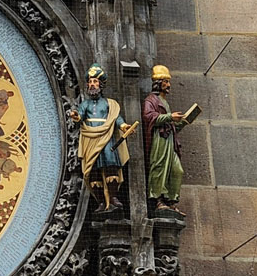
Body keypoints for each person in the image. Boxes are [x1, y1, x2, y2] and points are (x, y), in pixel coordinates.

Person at [69, 63, 136, 211]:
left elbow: (115, 117)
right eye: (90, 82)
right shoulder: (85, 104)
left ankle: (112, 197)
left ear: (101, 84)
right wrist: (75, 116)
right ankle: (100, 201)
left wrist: (123, 126)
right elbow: (80, 117)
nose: (92, 85)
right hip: (90, 138)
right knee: (93, 170)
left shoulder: (108, 104)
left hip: (106, 138)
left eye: (95, 82)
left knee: (111, 166)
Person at [142, 63, 188, 213]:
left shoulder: (165, 102)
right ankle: (159, 200)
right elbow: (148, 116)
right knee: (160, 167)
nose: (168, 85)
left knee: (177, 170)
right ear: (158, 83)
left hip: (169, 139)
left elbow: (169, 122)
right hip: (159, 140)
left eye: (168, 82)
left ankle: (171, 200)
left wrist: (181, 122)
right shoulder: (151, 100)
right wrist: (169, 116)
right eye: (165, 81)